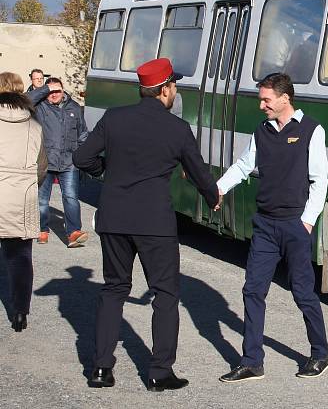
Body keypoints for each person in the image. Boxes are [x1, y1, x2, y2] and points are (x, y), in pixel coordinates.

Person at [72, 58, 219, 391]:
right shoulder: (177, 129)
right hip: (154, 222)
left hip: (114, 218)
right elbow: (198, 172)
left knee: (113, 289)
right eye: (174, 87)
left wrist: (104, 172)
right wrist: (213, 197)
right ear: (165, 89)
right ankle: (159, 371)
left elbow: (82, 158)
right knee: (165, 294)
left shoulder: (114, 118)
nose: (175, 92)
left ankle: (100, 369)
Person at [217, 73, 328, 383]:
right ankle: (252, 361)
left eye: (266, 100)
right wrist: (218, 189)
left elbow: (319, 180)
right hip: (265, 225)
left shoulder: (311, 130)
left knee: (302, 293)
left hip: (295, 224)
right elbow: (243, 166)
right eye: (261, 100)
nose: (262, 106)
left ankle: (321, 353)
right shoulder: (262, 131)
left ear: (285, 98)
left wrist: (307, 221)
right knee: (253, 290)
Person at [0, 72, 47, 332]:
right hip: (21, 194)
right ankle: (20, 312)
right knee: (20, 257)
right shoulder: (34, 125)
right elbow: (42, 168)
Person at [27, 76, 88, 247]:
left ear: (63, 90)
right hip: (45, 161)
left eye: (57, 91)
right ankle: (42, 229)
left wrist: (83, 157)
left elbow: (82, 134)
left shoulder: (74, 107)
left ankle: (74, 232)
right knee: (42, 200)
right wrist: (45, 89)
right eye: (51, 92)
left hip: (69, 162)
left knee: (71, 197)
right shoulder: (39, 107)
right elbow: (26, 100)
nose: (54, 95)